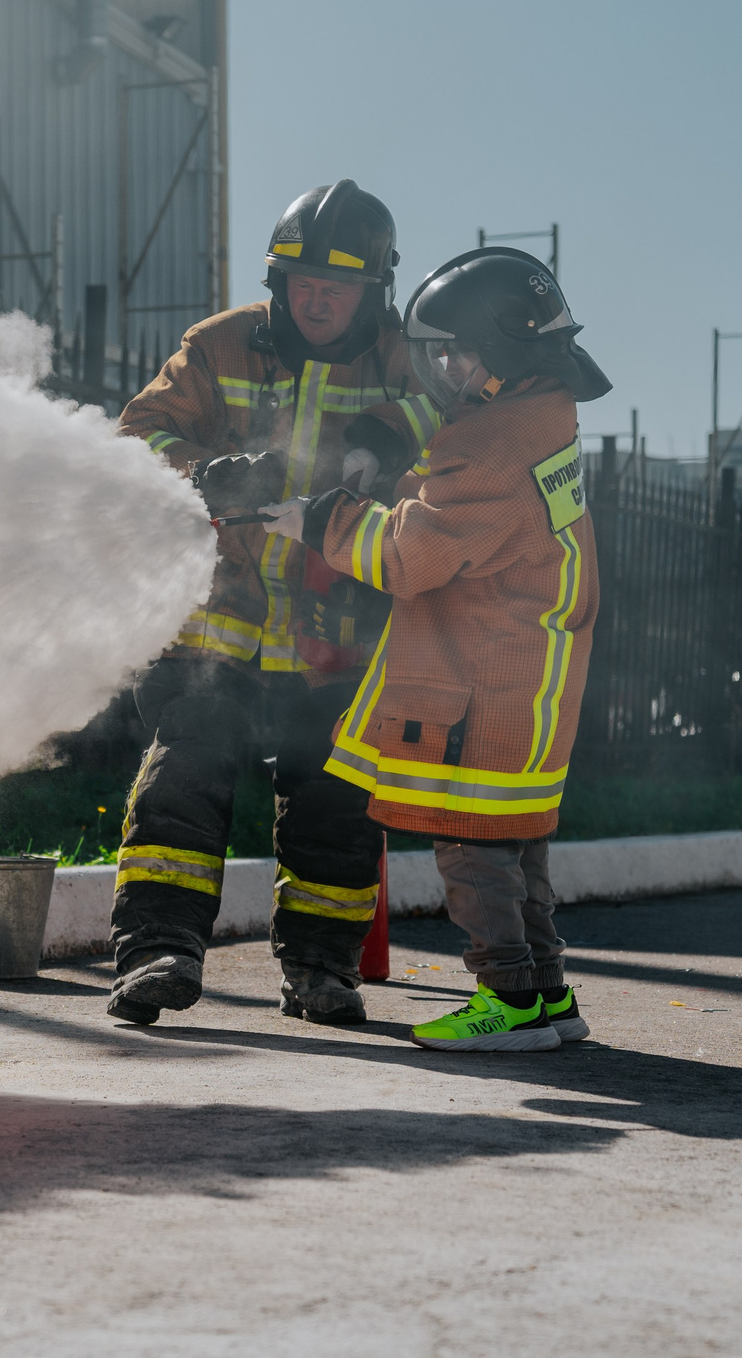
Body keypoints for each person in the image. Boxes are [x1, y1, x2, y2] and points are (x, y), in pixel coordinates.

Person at [107, 180, 444, 1026]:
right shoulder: (220, 347)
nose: (316, 298)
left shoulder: (408, 355)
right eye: (300, 280)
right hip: (218, 623)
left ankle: (322, 970)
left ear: (376, 289)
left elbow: (460, 421)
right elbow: (131, 435)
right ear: (277, 278)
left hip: (340, 630)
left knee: (336, 805)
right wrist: (196, 474)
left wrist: (394, 427)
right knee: (183, 775)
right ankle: (158, 954)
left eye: (338, 285)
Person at [257, 246, 612, 1049]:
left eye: (458, 352)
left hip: (481, 681)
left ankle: (509, 1000)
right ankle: (546, 991)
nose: (445, 368)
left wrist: (321, 522)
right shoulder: (541, 415)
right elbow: (461, 519)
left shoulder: (489, 447)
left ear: (503, 352)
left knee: (471, 845)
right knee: (515, 846)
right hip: (527, 674)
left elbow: (411, 557)